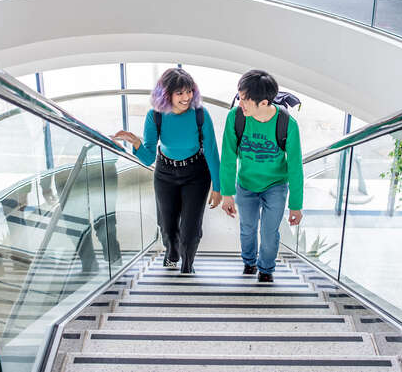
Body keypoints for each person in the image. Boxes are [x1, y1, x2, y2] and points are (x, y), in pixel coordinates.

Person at [113, 68, 221, 273]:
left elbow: (212, 152)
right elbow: (147, 157)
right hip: (165, 174)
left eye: (189, 91)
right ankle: (172, 254)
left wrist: (218, 187)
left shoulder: (200, 114)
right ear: (166, 95)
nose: (186, 97)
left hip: (196, 174)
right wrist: (135, 141)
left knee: (190, 230)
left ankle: (187, 267)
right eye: (179, 93)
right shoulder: (155, 116)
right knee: (168, 227)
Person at [220, 70, 303, 283]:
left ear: (264, 103)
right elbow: (228, 157)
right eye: (240, 97)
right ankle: (249, 262)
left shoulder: (287, 124)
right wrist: (227, 193)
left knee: (269, 232)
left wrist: (296, 205)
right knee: (247, 229)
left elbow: (295, 166)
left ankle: (266, 269)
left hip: (275, 185)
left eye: (246, 100)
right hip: (246, 184)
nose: (241, 104)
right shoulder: (236, 117)